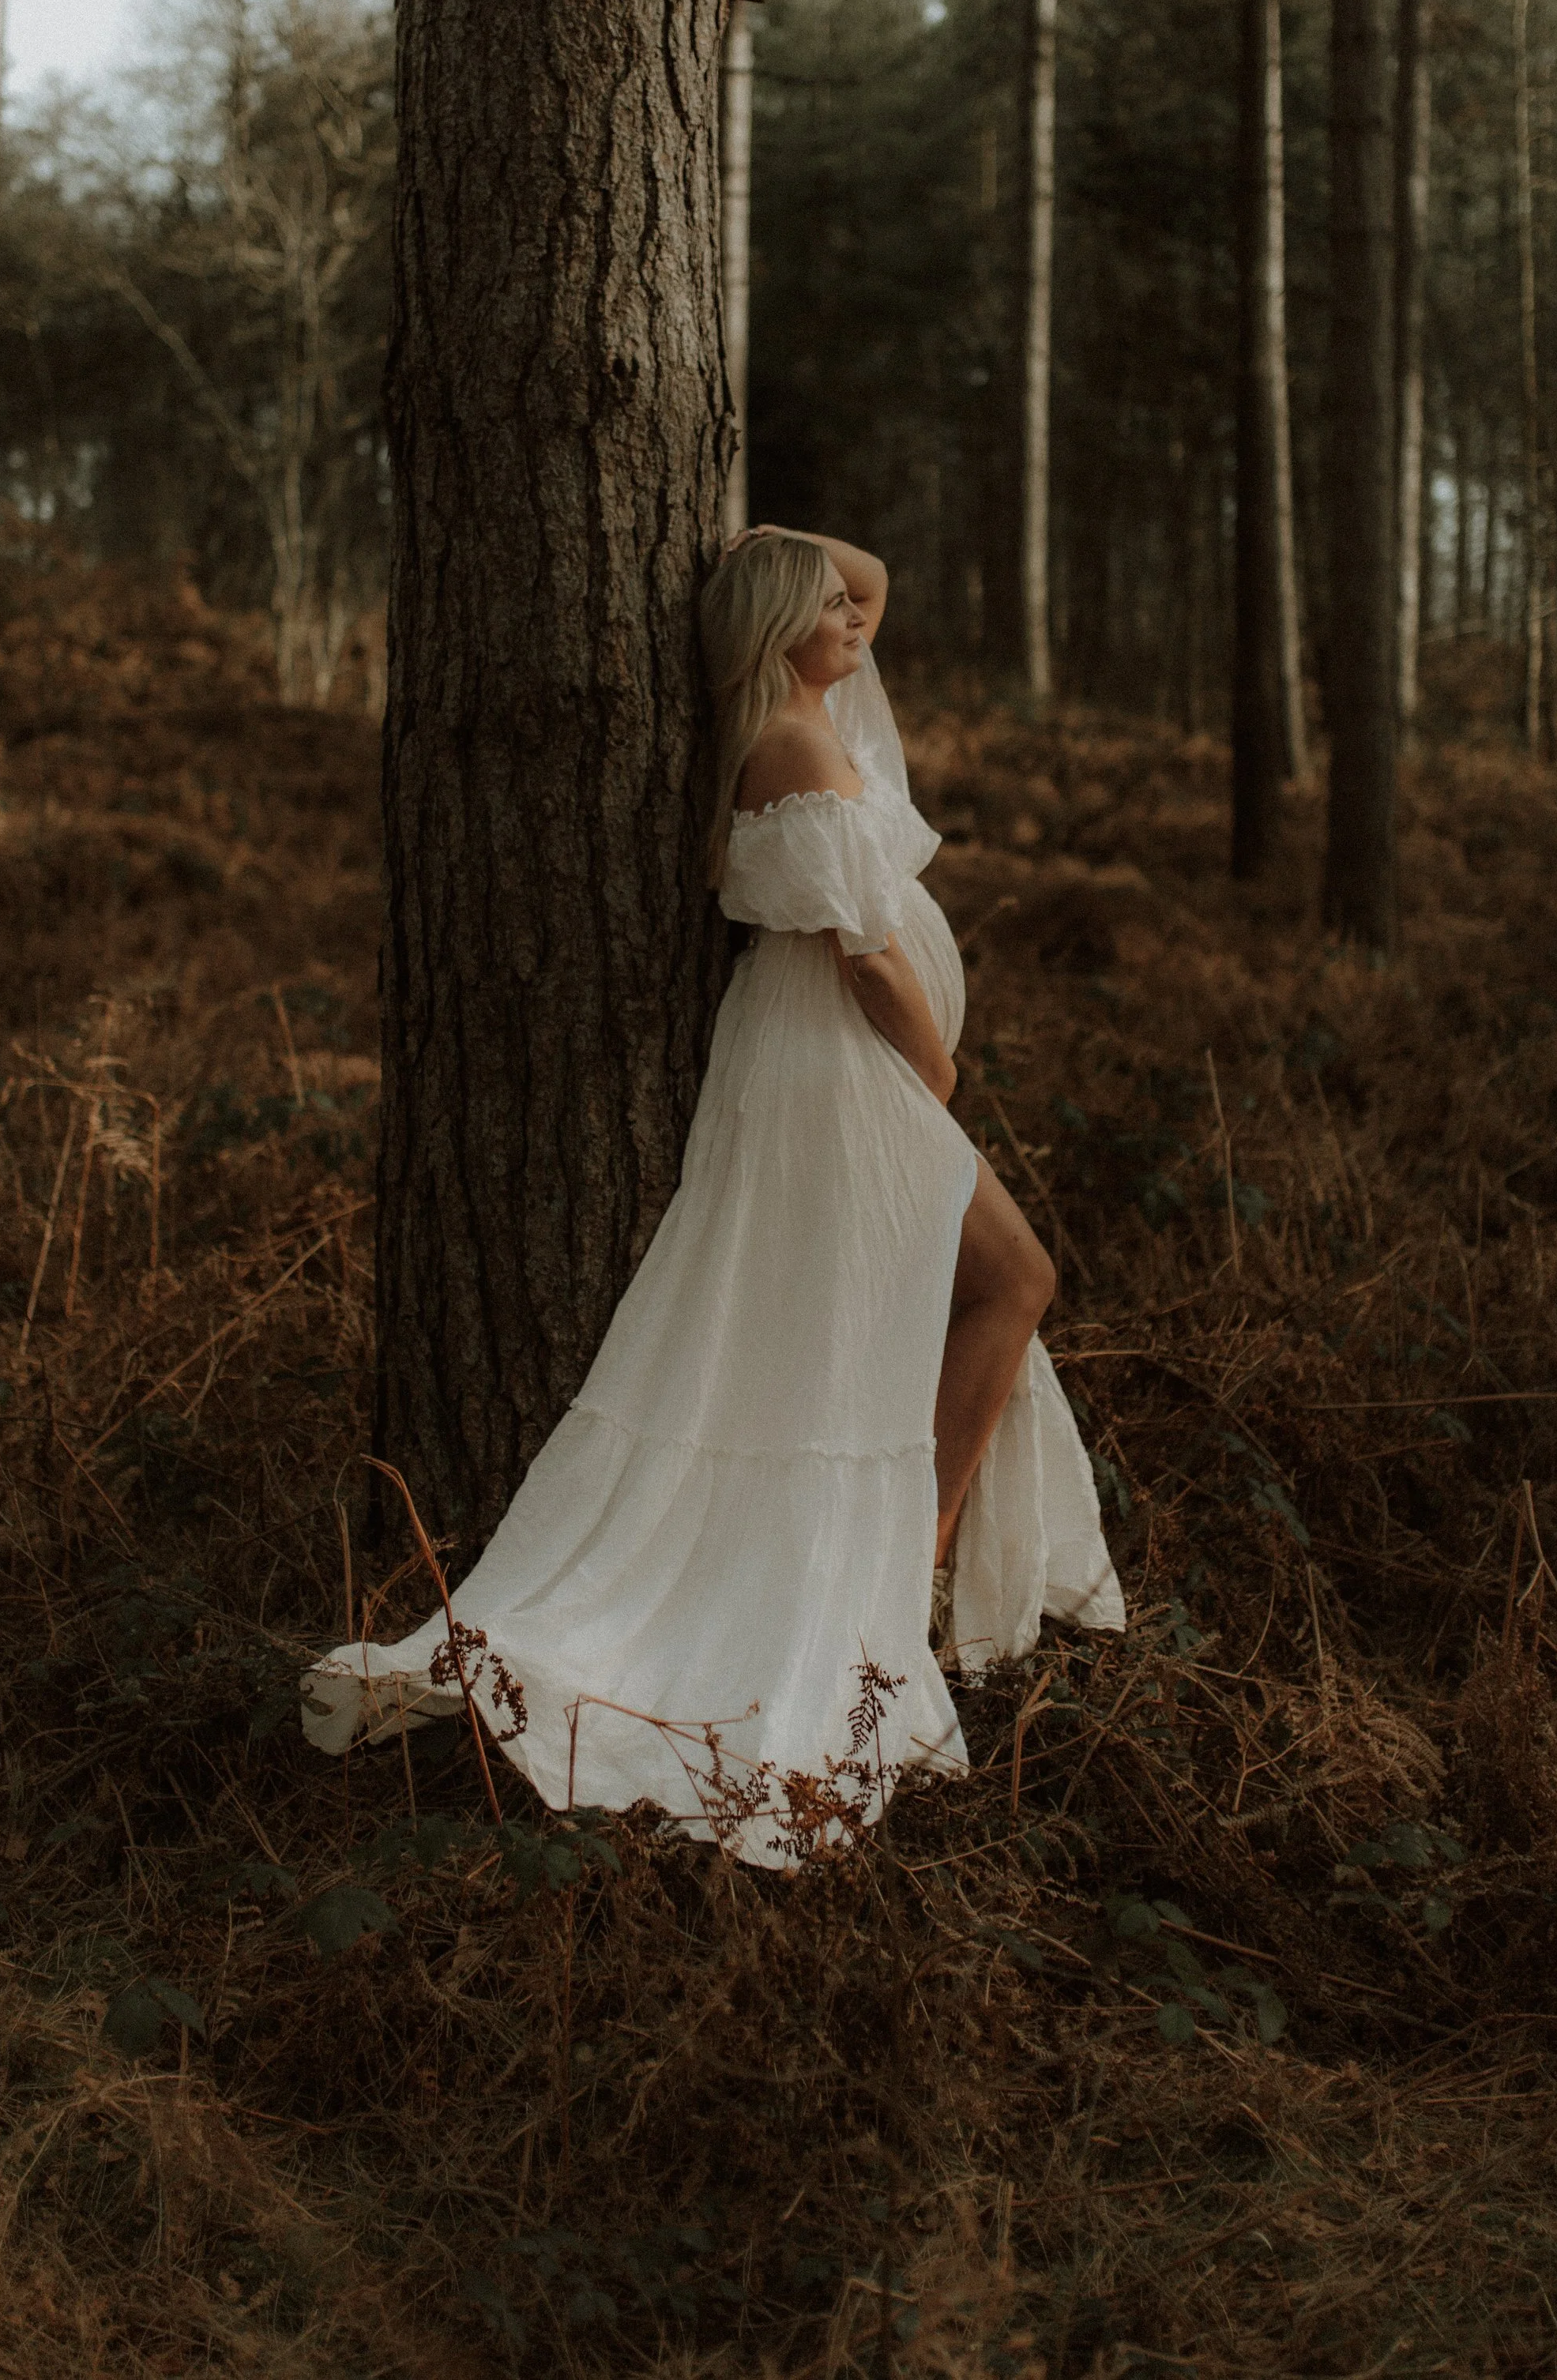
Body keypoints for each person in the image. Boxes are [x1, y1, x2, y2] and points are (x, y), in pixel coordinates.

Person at [301, 528, 1123, 1864]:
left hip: (833, 1060)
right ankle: (903, 1577)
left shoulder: (813, 709)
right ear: (775, 628)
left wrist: (774, 549)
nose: (854, 615)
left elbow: (876, 577)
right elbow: (866, 950)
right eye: (823, 605)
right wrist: (937, 1065)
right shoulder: (792, 742)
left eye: (845, 605)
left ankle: (903, 1572)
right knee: (1011, 1277)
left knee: (925, 1304)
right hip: (840, 1065)